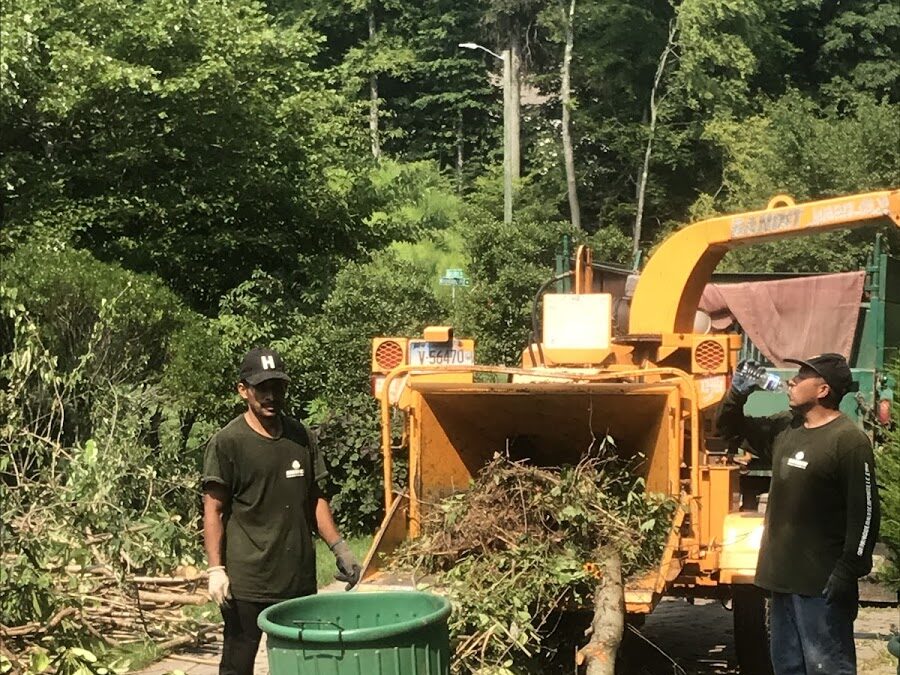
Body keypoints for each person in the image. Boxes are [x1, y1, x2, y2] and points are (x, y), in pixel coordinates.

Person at [717, 353, 880, 675]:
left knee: (826, 667)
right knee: (788, 667)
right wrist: (737, 394)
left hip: (821, 585)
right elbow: (728, 430)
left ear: (823, 390)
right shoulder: (786, 428)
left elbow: (866, 513)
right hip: (782, 580)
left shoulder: (848, 441)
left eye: (802, 376)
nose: (791, 381)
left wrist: (847, 571)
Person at [202, 347, 361, 675]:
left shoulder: (300, 437)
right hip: (248, 582)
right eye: (262, 388)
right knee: (237, 665)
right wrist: (215, 569)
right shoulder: (228, 442)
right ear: (243, 390)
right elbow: (213, 509)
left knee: (302, 666)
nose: (271, 396)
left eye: (278, 387)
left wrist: (340, 548)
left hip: (296, 579)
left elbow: (315, 499)